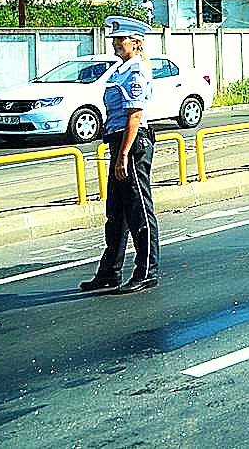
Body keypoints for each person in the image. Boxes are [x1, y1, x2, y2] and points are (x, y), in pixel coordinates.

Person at [80, 16, 160, 294]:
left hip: (133, 143)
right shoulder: (120, 69)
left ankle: (147, 271)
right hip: (118, 141)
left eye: (120, 39)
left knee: (139, 210)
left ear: (136, 43)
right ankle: (110, 272)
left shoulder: (137, 70)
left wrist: (124, 154)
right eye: (114, 39)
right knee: (115, 212)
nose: (115, 43)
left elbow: (134, 115)